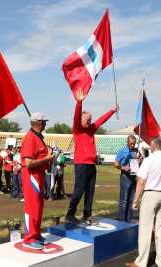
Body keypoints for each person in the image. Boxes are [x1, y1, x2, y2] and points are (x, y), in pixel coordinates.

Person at [65, 89, 118, 225]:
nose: (90, 122)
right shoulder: (77, 129)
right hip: (81, 164)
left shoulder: (91, 128)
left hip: (91, 165)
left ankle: (87, 215)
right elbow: (77, 117)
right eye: (87, 120)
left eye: (90, 120)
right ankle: (70, 215)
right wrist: (79, 102)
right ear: (82, 119)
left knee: (90, 191)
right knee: (78, 191)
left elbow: (101, 121)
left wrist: (112, 111)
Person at [126, 136, 161, 267]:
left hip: (151, 194)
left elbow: (141, 182)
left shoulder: (148, 160)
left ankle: (141, 262)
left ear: (153, 146)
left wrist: (136, 200)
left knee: (145, 230)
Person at [21, 112, 54, 250]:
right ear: (38, 123)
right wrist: (47, 158)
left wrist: (48, 156)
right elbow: (28, 162)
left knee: (39, 206)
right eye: (44, 121)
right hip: (31, 177)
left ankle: (36, 233)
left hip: (38, 176)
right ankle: (29, 238)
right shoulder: (30, 138)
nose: (46, 123)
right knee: (32, 207)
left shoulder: (38, 137)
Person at [114, 135, 139, 223]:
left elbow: (140, 162)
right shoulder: (122, 151)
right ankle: (121, 220)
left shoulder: (137, 151)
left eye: (134, 144)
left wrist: (140, 160)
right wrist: (123, 167)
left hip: (133, 176)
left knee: (131, 200)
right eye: (131, 143)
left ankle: (129, 219)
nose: (132, 145)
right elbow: (116, 163)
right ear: (127, 142)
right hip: (125, 176)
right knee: (124, 200)